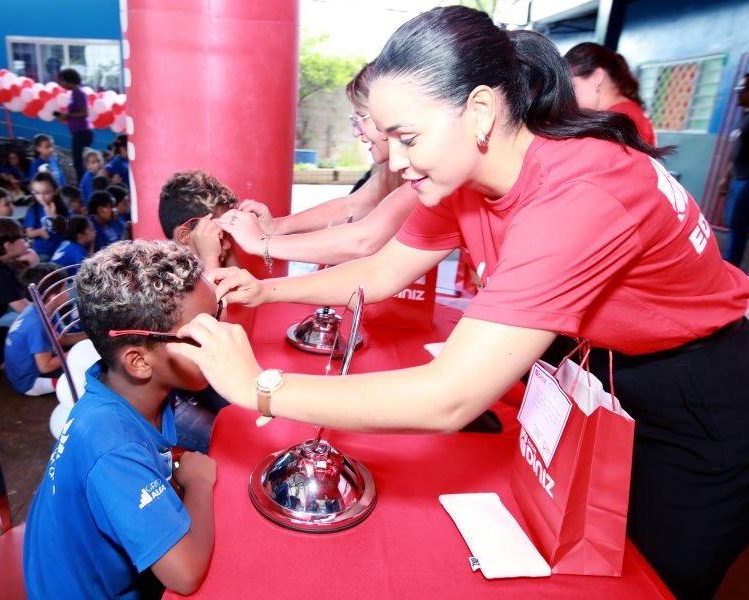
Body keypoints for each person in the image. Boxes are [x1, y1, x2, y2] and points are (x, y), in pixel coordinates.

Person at [172, 8, 749, 600]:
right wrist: (269, 290)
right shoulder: (463, 176)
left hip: (696, 398)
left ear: (479, 111)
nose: (394, 161)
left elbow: (450, 395)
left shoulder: (580, 193)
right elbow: (381, 269)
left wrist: (260, 388)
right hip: (596, 371)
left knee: (646, 578)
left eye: (408, 138)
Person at [24, 240, 218, 598]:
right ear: (139, 361)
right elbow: (185, 574)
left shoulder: (134, 390)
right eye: (200, 334)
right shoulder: (112, 445)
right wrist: (199, 483)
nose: (225, 340)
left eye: (218, 318)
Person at [219, 61, 419, 265]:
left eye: (360, 117)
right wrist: (277, 227)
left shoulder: (423, 172)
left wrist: (261, 243)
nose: (356, 131)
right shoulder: (397, 172)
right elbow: (352, 205)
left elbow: (363, 241)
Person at [565, 42, 656, 146]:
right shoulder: (629, 113)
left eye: (572, 86)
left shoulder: (618, 121)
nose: (569, 96)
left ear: (597, 77)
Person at [4, 263, 66, 397]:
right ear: (52, 297)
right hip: (31, 381)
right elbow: (45, 366)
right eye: (64, 287)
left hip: (34, 368)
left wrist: (89, 336)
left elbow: (61, 337)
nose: (68, 289)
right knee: (88, 371)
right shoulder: (36, 324)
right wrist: (74, 354)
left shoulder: (42, 308)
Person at [158, 170, 238, 269]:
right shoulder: (164, 280)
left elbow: (235, 283)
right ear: (184, 235)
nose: (228, 245)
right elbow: (213, 283)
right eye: (219, 235)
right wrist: (209, 258)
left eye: (228, 235)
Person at [721, 72, 749, 269]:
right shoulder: (744, 118)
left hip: (747, 181)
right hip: (737, 178)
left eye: (743, 89)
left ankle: (729, 270)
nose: (738, 93)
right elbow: (736, 150)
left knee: (738, 227)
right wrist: (726, 177)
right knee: (733, 223)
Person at [56, 68, 94, 182]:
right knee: (78, 161)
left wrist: (69, 116)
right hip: (77, 132)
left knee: (79, 162)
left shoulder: (79, 93)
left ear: (69, 80)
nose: (60, 84)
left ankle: (83, 185)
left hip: (82, 132)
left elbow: (84, 112)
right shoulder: (73, 94)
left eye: (62, 81)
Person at [24, 171, 69, 260]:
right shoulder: (34, 209)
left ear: (55, 191)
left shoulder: (62, 208)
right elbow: (29, 232)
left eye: (46, 193)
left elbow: (68, 230)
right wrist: (39, 232)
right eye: (37, 193)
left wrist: (54, 215)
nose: (42, 197)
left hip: (61, 250)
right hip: (42, 251)